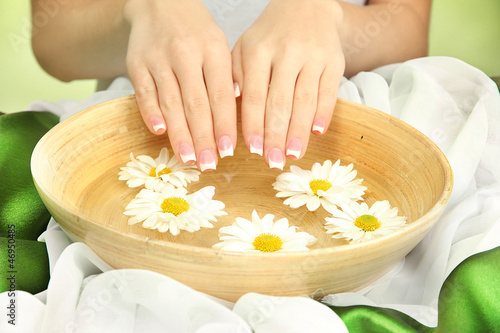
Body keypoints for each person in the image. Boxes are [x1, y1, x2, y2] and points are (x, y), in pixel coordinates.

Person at [31, 0, 431, 172]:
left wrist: (329, 16)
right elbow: (55, 42)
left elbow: (409, 29)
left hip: (346, 129)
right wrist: (141, 9)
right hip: (144, 131)